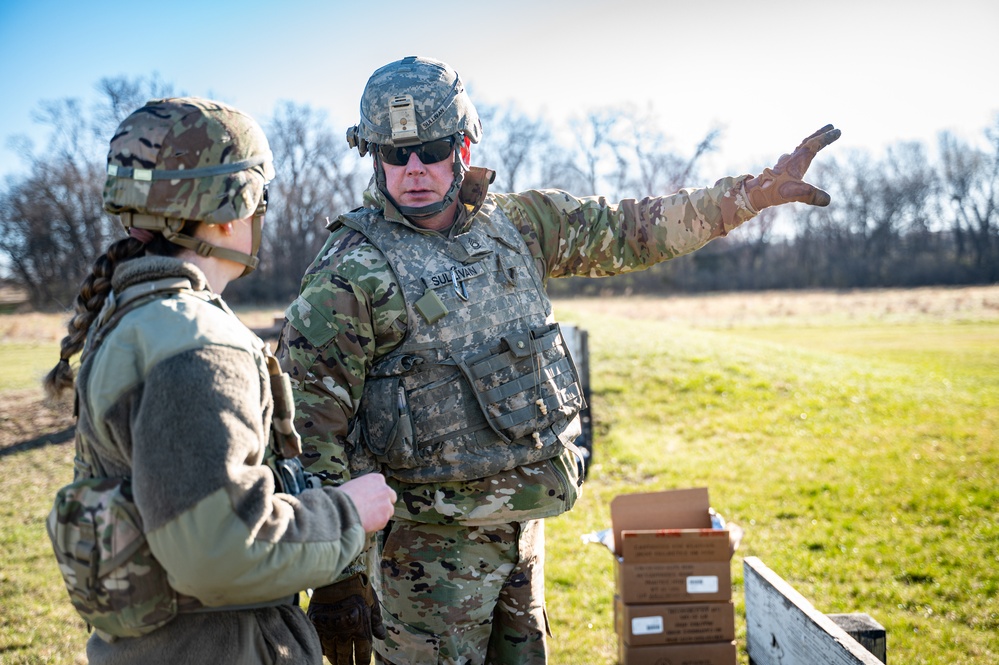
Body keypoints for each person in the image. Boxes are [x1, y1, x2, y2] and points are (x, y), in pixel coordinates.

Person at [278, 55, 840, 665]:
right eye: (394, 153)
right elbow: (310, 426)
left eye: (431, 148)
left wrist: (751, 194)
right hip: (420, 561)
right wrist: (335, 574)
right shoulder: (350, 270)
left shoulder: (523, 226)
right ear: (373, 155)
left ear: (464, 144)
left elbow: (635, 229)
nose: (413, 169)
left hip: (525, 534)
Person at [43, 96, 396, 665]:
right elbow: (221, 550)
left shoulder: (138, 320)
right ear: (233, 207)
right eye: (261, 197)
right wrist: (349, 513)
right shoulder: (194, 342)